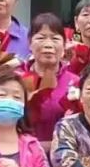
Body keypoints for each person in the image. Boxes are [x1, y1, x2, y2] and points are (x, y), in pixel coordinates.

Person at [22, 12, 78, 148]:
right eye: (41, 38)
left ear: (64, 44)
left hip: (63, 155)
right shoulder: (16, 79)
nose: (48, 44)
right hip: (23, 154)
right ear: (29, 43)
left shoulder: (75, 82)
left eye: (55, 38)